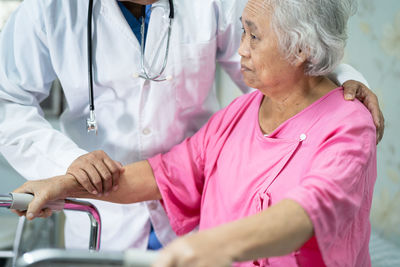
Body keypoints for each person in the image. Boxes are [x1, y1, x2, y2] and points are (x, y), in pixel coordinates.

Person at [1, 0, 382, 253]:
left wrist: (345, 81)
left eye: (250, 36)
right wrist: (67, 173)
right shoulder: (47, 8)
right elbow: (167, 172)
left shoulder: (344, 125)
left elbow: (291, 57)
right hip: (111, 211)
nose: (241, 49)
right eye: (242, 35)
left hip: (201, 226)